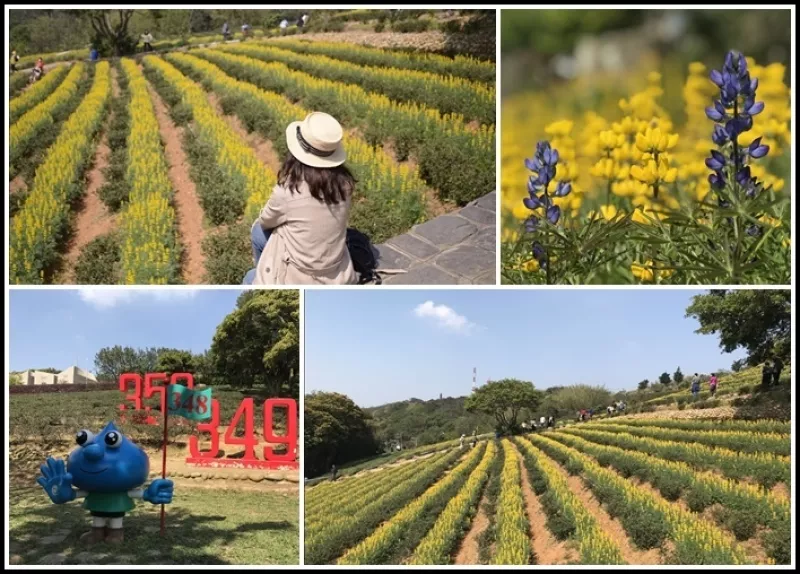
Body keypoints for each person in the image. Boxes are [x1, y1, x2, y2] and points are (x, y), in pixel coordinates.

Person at [243, 112, 358, 285]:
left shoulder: (288, 190)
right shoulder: (346, 185)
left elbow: (267, 221)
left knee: (258, 232)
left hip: (299, 277)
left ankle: (266, 278)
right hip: (336, 272)